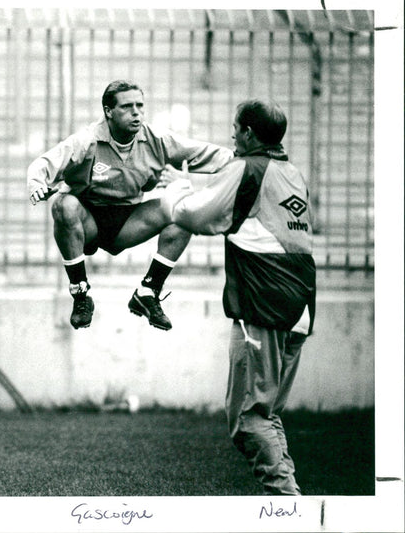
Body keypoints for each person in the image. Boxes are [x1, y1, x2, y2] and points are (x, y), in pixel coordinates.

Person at [160, 99, 316, 494]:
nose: (232, 135)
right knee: (268, 415)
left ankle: (287, 504)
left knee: (249, 420)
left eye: (236, 128)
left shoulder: (247, 168)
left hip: (264, 305)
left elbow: (196, 215)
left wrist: (173, 189)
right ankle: (290, 501)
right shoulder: (290, 172)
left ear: (248, 133)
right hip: (299, 308)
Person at [27, 80, 232, 330]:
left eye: (140, 106)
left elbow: (205, 154)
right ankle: (80, 295)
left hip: (128, 219)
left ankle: (148, 292)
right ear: (108, 112)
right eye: (126, 107)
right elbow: (44, 163)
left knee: (184, 210)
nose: (136, 113)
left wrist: (243, 159)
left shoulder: (156, 139)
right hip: (88, 219)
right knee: (63, 205)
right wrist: (37, 183)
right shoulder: (88, 140)